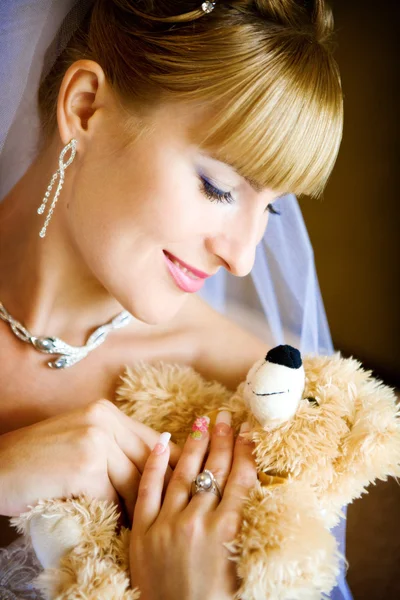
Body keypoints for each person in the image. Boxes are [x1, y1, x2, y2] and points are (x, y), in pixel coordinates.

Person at [0, 0, 351, 598]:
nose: (242, 257)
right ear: (85, 106)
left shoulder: (246, 397)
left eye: (269, 207)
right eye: (218, 186)